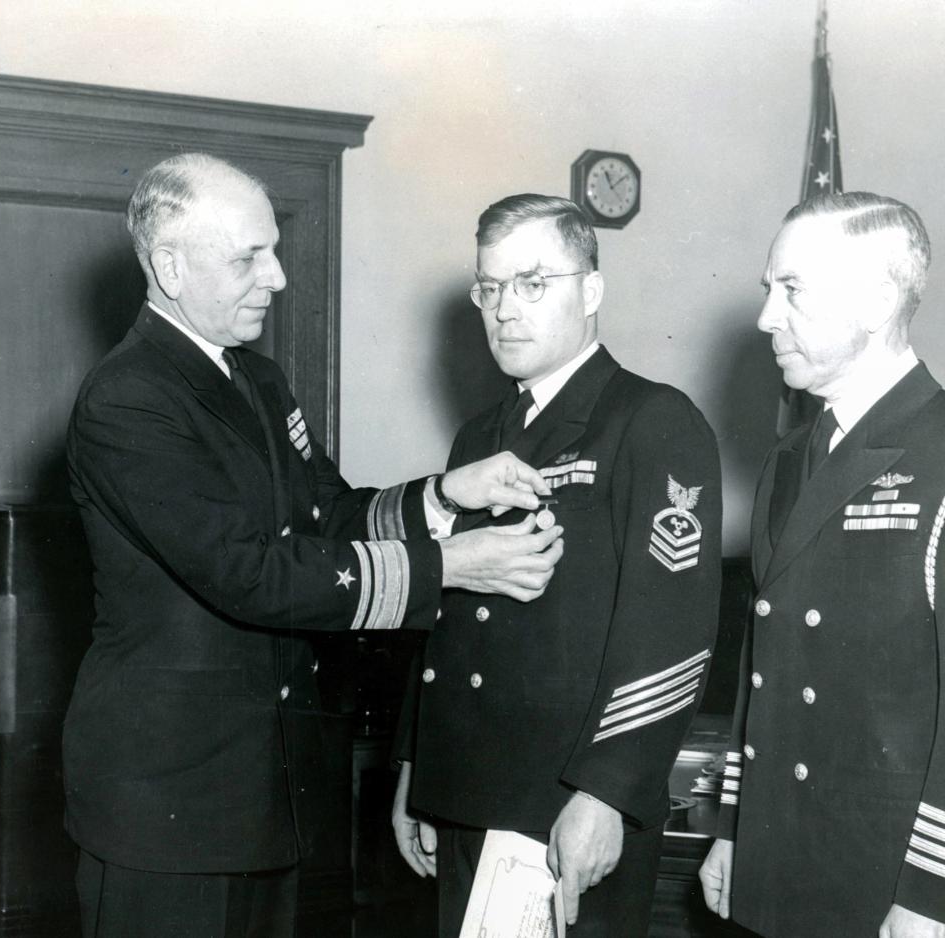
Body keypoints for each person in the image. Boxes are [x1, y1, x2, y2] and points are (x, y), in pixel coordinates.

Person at [63, 153, 565, 938]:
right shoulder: (130, 397)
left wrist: (443, 496)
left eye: (273, 249)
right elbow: (248, 574)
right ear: (168, 266)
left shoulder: (256, 381)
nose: (278, 277)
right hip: (170, 802)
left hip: (272, 788)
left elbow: (326, 515)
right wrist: (451, 566)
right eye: (248, 257)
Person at [392, 194, 723, 936]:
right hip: (467, 792)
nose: (506, 309)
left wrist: (607, 794)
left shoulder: (650, 420)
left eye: (534, 283)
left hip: (567, 801)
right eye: (491, 286)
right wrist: (419, 769)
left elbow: (672, 634)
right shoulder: (481, 435)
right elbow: (449, 613)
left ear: (592, 291)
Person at [699, 192, 945, 938]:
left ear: (877, 301)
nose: (768, 317)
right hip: (783, 854)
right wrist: (738, 827)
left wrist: (931, 895)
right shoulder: (790, 458)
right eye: (769, 291)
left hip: (886, 876)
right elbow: (767, 662)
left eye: (793, 290)